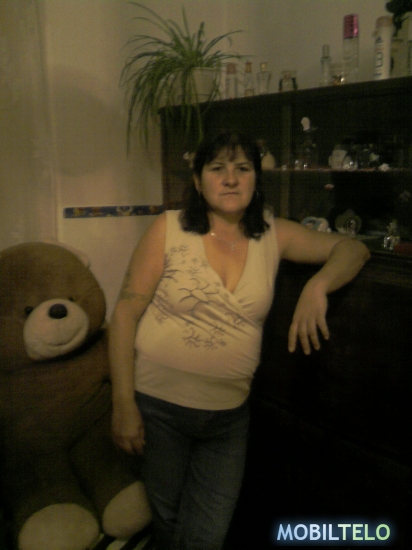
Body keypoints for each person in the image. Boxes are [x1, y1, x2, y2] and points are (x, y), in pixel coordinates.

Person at [109, 131, 370, 549]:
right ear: (198, 182)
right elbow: (125, 313)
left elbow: (353, 249)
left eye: (242, 168)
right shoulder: (168, 228)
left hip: (227, 420)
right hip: (159, 411)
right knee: (168, 523)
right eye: (218, 168)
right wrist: (123, 402)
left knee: (207, 535)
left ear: (255, 180)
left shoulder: (274, 234)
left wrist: (318, 285)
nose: (231, 179)